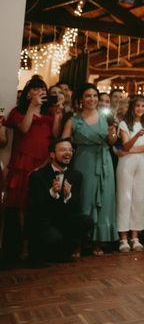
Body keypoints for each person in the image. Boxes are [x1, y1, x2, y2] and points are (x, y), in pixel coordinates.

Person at [4, 78, 63, 260]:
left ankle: (40, 243)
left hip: (44, 161)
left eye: (42, 89)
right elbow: (24, 128)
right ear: (28, 92)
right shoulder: (18, 111)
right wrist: (32, 106)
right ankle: (24, 245)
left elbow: (55, 135)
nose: (39, 92)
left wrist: (58, 113)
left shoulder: (49, 112)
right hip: (24, 161)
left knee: (42, 202)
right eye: (35, 89)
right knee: (22, 205)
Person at [62, 83, 118, 255]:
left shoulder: (106, 118)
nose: (92, 99)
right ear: (81, 100)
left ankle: (98, 242)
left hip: (104, 161)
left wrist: (112, 131)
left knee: (104, 201)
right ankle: (78, 243)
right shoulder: (73, 120)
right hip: (83, 161)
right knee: (83, 201)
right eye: (88, 96)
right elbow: (64, 142)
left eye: (95, 96)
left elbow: (112, 142)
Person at [26, 138, 93, 265]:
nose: (68, 153)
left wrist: (68, 196)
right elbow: (35, 209)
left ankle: (63, 253)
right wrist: (51, 193)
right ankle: (41, 255)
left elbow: (76, 206)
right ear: (52, 154)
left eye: (70, 150)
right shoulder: (38, 176)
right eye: (63, 150)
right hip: (44, 223)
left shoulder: (76, 176)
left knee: (86, 221)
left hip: (64, 221)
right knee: (53, 237)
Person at [116, 96, 144, 252]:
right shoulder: (125, 124)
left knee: (139, 198)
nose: (140, 109)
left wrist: (129, 150)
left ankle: (135, 236)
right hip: (126, 163)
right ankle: (123, 238)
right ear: (132, 107)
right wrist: (136, 137)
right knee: (125, 197)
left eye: (143, 106)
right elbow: (125, 144)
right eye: (137, 106)